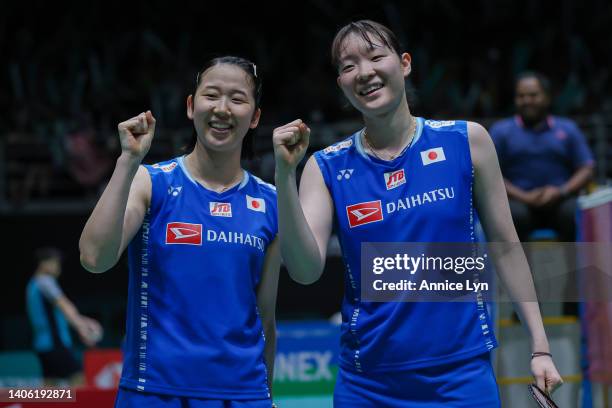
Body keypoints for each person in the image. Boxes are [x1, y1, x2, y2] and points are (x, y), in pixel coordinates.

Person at [273, 20, 563, 406]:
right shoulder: (325, 167)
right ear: (341, 83)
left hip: (460, 377)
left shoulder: (467, 141)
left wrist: (539, 346)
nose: (365, 72)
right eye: (348, 66)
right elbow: (305, 271)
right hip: (369, 384)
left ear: (405, 63)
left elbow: (506, 247)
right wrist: (284, 174)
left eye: (376, 56)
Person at [79, 56, 280, 408]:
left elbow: (266, 317)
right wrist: (127, 161)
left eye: (237, 99)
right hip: (153, 392)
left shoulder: (271, 202)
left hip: (243, 395)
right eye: (212, 95)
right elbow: (94, 258)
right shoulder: (153, 182)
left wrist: (269, 395)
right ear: (191, 106)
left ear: (255, 117)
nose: (222, 109)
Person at [490, 72, 594, 315]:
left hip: (559, 201)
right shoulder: (502, 131)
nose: (527, 100)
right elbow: (491, 172)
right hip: (520, 202)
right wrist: (522, 196)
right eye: (521, 96)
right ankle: (526, 300)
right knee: (514, 218)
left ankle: (573, 297)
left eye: (533, 95)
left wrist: (561, 190)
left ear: (546, 97)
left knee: (573, 215)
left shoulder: (566, 129)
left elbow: (587, 167)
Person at [26, 247, 102, 385]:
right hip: (56, 344)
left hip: (42, 346)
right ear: (44, 263)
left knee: (50, 388)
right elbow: (65, 306)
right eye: (55, 263)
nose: (58, 268)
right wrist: (83, 328)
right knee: (79, 381)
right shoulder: (45, 282)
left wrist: (82, 320)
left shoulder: (32, 285)